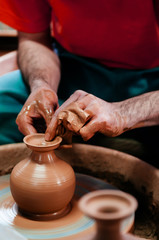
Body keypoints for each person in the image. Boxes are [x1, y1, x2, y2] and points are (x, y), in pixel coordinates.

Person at [0, 1, 159, 166]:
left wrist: (124, 113)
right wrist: (41, 86)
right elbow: (34, 39)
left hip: (152, 80)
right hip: (73, 66)